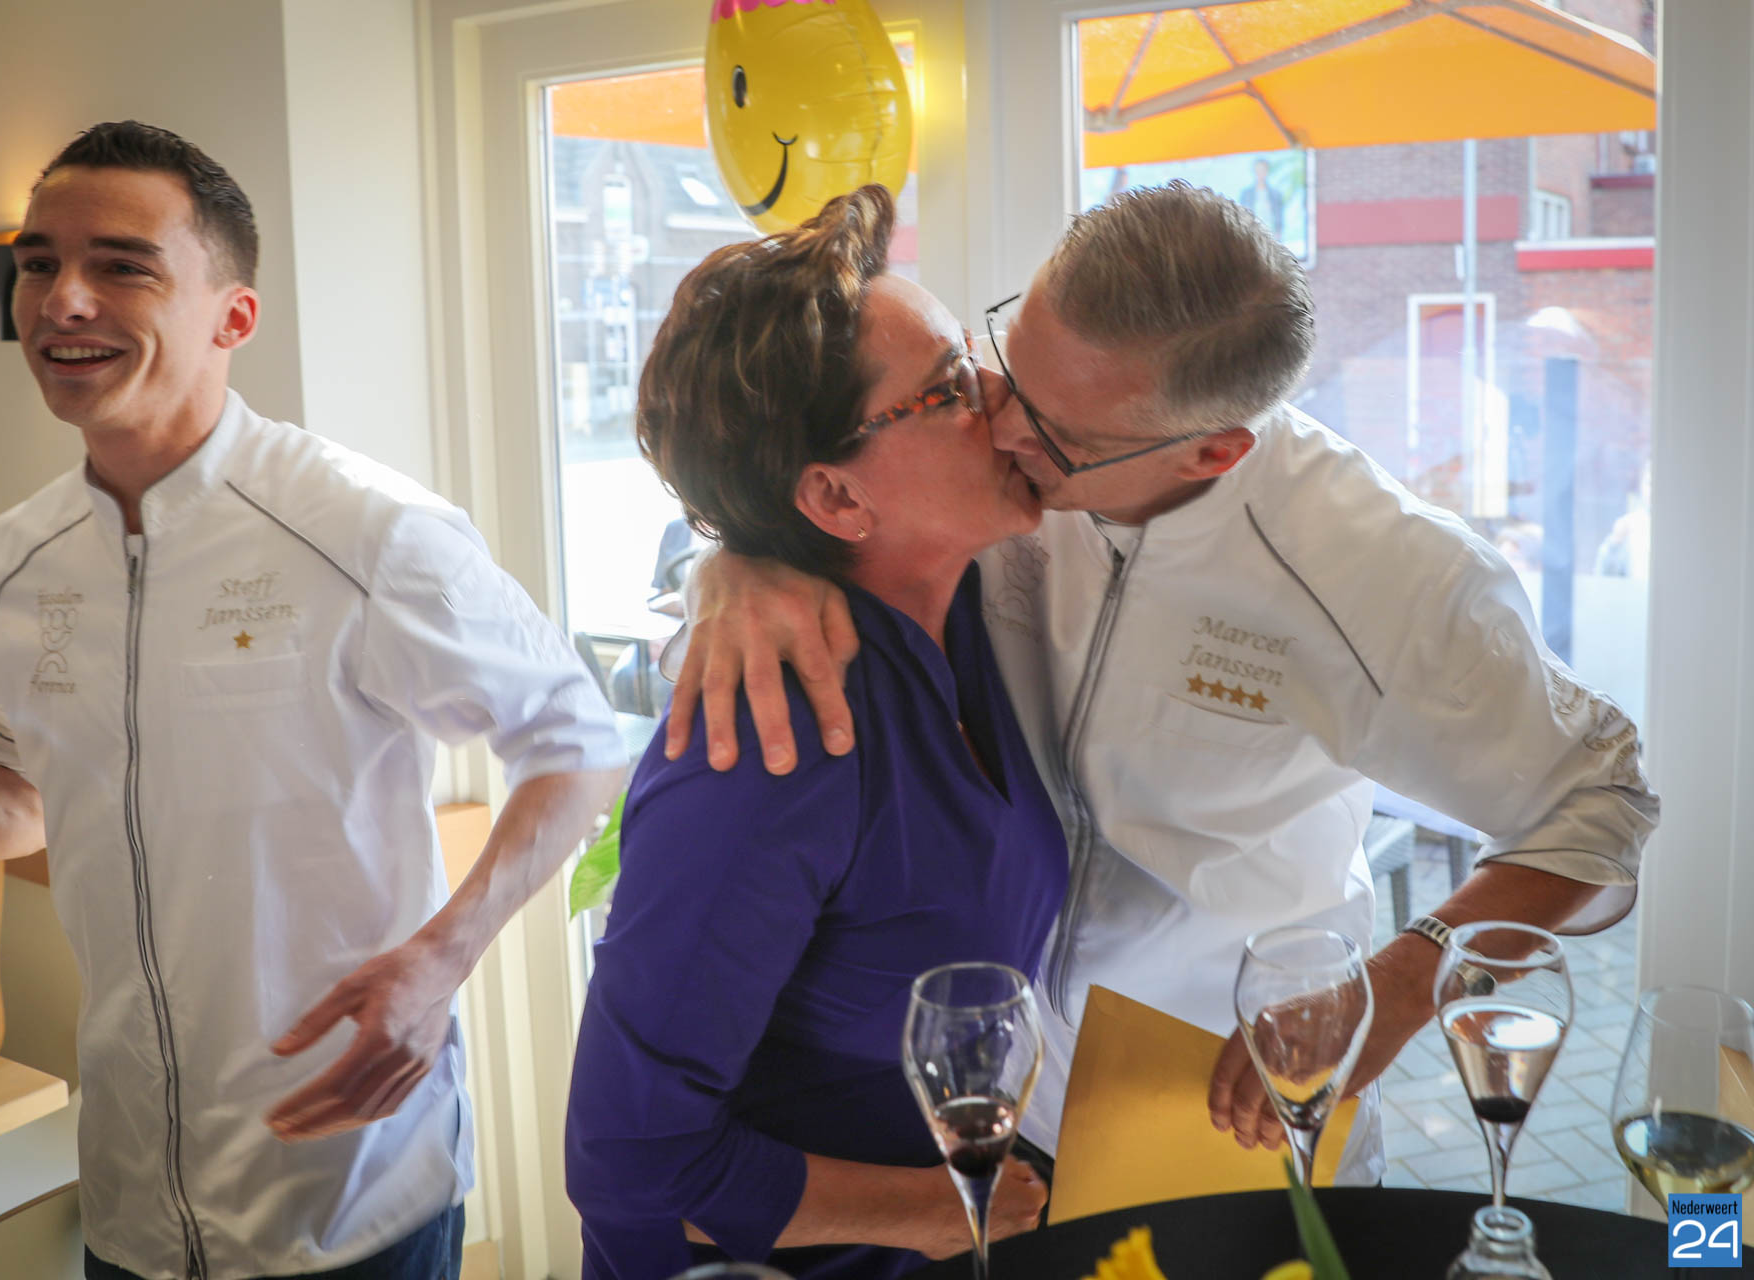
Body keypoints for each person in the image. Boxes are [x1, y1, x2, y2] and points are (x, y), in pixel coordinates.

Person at [664, 181, 1658, 1181]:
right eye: (1002, 364)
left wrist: (1399, 984)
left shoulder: (1385, 572)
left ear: (1213, 450)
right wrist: (733, 562)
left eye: (1056, 433)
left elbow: (1602, 799)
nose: (998, 429)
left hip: (1237, 1108)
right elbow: (827, 484)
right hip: (1010, 1099)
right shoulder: (1001, 478)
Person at [0, 122, 627, 1279]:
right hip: (131, 1205)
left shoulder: (367, 529)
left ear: (233, 317)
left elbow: (578, 744)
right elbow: (24, 792)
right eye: (40, 264)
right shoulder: (10, 561)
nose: (61, 299)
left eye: (122, 265)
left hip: (350, 1197)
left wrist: (440, 960)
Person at [564, 185, 1065, 1279]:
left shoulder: (967, 614)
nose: (997, 393)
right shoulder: (765, 750)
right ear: (837, 499)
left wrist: (721, 561)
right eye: (949, 387)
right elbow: (630, 1163)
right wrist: (935, 1210)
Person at [1239, 157, 1285, 239]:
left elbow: (1279, 217)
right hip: (1252, 235)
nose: (1260, 173)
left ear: (1267, 171)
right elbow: (1242, 216)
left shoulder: (1276, 194)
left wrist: (1278, 233)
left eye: (1263, 170)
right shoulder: (1246, 194)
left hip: (1271, 235)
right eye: (1258, 170)